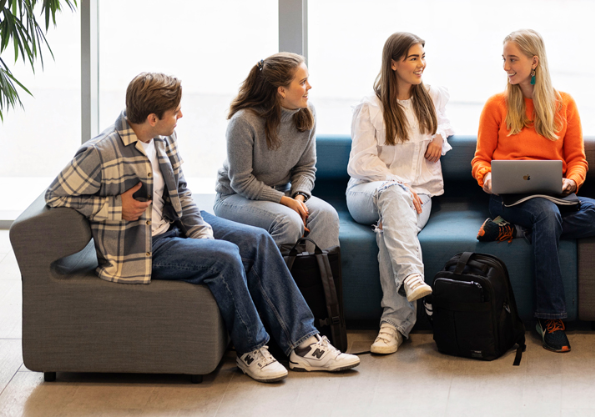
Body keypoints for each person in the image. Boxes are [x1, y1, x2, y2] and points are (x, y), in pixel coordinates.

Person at [45, 73, 360, 383]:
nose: (181, 115)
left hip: (175, 225)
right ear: (152, 118)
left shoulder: (163, 137)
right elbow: (56, 195)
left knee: (258, 241)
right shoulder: (100, 152)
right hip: (142, 247)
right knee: (224, 257)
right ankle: (252, 349)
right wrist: (116, 208)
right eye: (175, 111)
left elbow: (181, 191)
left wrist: (201, 234)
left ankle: (303, 343)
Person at [473, 29, 595, 353]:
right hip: (507, 197)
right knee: (546, 214)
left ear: (534, 62)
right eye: (504, 60)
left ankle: (517, 230)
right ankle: (549, 317)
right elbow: (480, 159)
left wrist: (572, 181)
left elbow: (577, 160)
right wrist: (487, 178)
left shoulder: (564, 104)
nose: (507, 67)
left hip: (553, 195)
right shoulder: (496, 105)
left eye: (513, 60)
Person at [347, 32, 453, 355]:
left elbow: (446, 122)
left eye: (422, 56)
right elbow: (362, 161)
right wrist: (399, 183)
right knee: (393, 194)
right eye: (413, 58)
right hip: (368, 191)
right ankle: (412, 276)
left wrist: (439, 134)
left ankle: (393, 325)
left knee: (387, 230)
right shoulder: (370, 107)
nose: (421, 64)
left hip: (418, 196)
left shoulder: (431, 96)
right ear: (393, 64)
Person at [214, 52, 339, 253]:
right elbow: (241, 182)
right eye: (303, 82)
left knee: (327, 215)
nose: (309, 87)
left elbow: (306, 167)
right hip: (234, 198)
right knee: (288, 221)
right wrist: (286, 202)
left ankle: (317, 284)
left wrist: (299, 198)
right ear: (282, 90)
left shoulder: (307, 111)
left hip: (283, 191)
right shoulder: (244, 121)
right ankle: (272, 284)